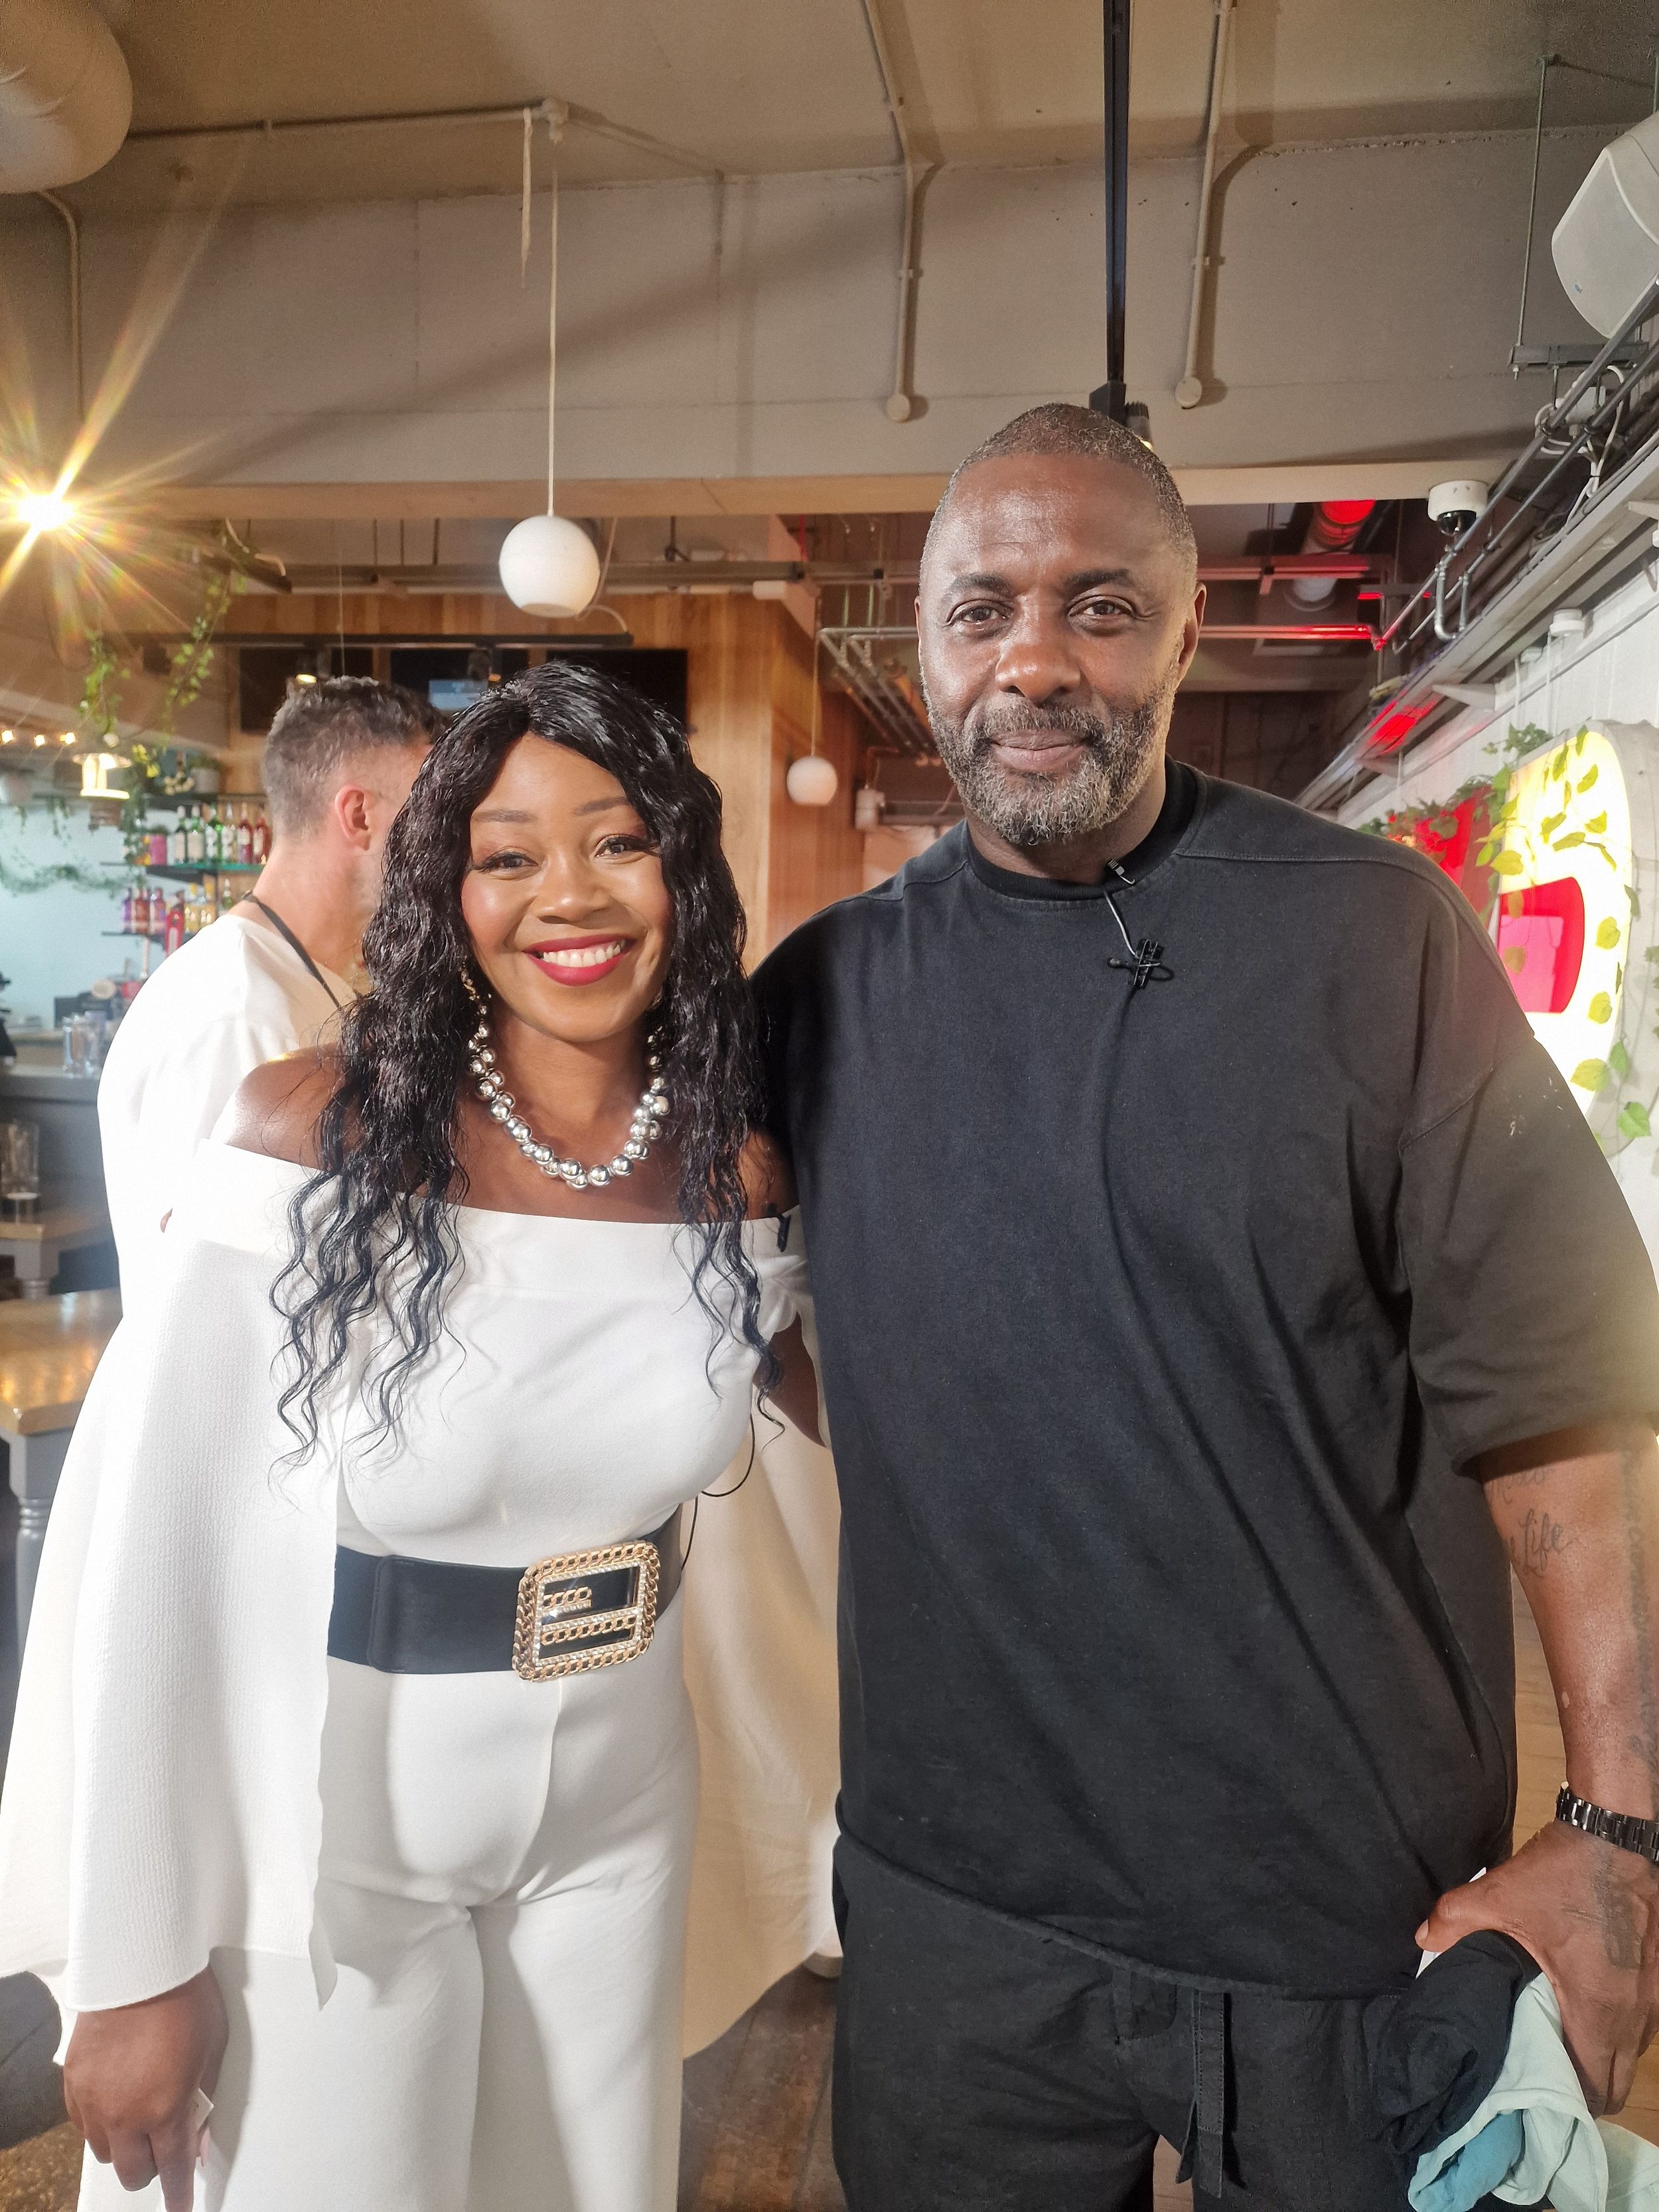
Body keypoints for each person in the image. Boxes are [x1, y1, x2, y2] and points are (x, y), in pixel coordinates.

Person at [754, 403, 1659, 2212]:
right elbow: (693, 1270)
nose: (1031, 659)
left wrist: (1615, 1832)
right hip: (957, 1909)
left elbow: (1561, 1403)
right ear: (917, 643)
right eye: (978, 608)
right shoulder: (826, 994)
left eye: (1095, 605)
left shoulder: (1367, 933)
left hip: (1339, 1893)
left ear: (1183, 632)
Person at [0, 662, 818, 2211]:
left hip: (623, 1796)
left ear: (682, 873)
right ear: (442, 888)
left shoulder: (736, 1170)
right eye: (506, 855)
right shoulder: (315, 1128)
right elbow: (148, 1539)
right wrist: (135, 1952)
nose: (566, 894)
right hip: (335, 1819)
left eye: (617, 841)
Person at [97, 676, 439, 1301]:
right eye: (428, 813)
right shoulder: (239, 1011)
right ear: (359, 815)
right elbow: (206, 1283)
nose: (442, 845)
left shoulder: (298, 979)